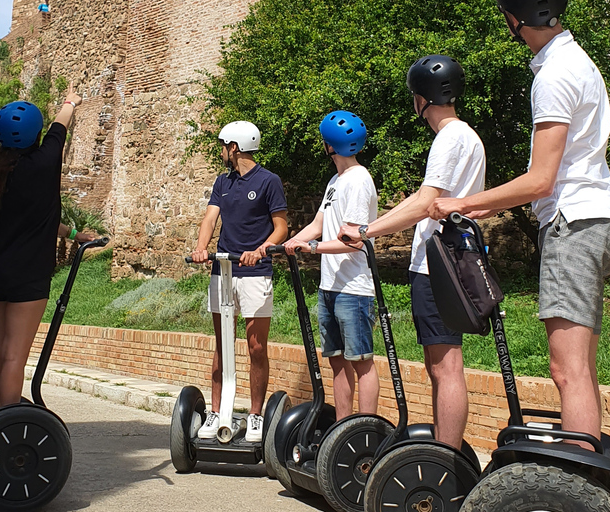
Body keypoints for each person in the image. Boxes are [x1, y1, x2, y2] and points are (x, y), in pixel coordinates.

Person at [429, 0, 610, 449]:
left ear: (516, 20)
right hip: (597, 216)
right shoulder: (579, 62)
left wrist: (466, 201)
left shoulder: (553, 75)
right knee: (582, 368)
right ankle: (587, 473)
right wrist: (487, 208)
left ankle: (577, 483)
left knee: (566, 368)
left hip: (571, 222)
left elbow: (541, 179)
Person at [339, 56, 485, 448]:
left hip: (439, 263)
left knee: (445, 366)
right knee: (441, 365)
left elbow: (425, 204)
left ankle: (445, 459)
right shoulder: (467, 137)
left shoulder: (449, 138)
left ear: (421, 99)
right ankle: (444, 450)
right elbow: (429, 201)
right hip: (450, 260)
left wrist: (368, 230)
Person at [0, 86, 94, 421]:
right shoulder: (44, 162)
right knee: (15, 357)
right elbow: (62, 123)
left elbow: (34, 220)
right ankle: (6, 429)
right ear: (35, 135)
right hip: (28, 275)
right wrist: (72, 99)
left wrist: (73, 234)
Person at [191, 121, 288, 442]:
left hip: (254, 272)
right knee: (222, 346)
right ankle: (218, 411)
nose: (221, 151)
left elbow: (281, 227)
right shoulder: (223, 182)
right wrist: (201, 248)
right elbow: (210, 217)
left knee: (256, 347)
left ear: (235, 147)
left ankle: (256, 415)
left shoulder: (268, 181)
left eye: (223, 145)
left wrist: (260, 250)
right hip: (224, 269)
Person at [284, 110, 379, 421]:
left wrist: (312, 247)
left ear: (329, 145)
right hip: (330, 287)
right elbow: (319, 223)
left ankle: (364, 428)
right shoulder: (336, 181)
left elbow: (354, 239)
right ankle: (342, 428)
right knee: (338, 360)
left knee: (361, 361)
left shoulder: (359, 180)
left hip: (354, 289)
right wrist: (290, 243)